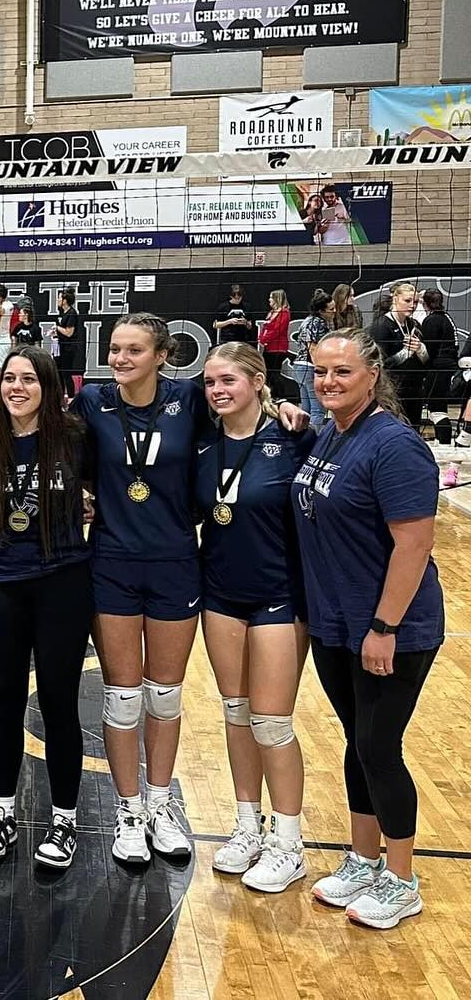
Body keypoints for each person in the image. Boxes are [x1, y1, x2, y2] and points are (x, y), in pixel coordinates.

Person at [59, 312, 306, 865]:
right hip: (112, 564)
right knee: (123, 696)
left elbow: (240, 412)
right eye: (115, 349)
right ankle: (127, 811)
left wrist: (284, 406)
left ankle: (159, 802)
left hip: (176, 565)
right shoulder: (93, 402)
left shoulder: (190, 401)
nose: (121, 359)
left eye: (133, 350)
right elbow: (46, 440)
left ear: (162, 355)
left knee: (165, 694)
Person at [295, 328, 443, 929]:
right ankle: (362, 857)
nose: (328, 383)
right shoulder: (333, 430)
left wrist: (384, 626)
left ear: (373, 375)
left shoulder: (395, 445)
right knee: (359, 742)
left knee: (381, 748)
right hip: (337, 623)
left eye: (342, 373)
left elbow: (414, 544)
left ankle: (401, 878)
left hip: (390, 628)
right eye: (320, 373)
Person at [196, 343, 315, 893]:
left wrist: (292, 412)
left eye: (228, 381)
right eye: (210, 383)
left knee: (272, 721)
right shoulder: (202, 445)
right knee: (236, 711)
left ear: (258, 381)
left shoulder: (292, 438)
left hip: (278, 597)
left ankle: (289, 843)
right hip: (220, 595)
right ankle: (248, 826)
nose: (218, 391)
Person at [0, 346, 91, 868]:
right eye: (8, 378)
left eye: (28, 379)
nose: (16, 387)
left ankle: (63, 819)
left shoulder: (76, 437)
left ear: (49, 385)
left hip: (63, 581)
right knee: (4, 699)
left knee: (61, 703)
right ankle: (1, 813)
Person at [368, 282, 427, 429]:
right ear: (395, 299)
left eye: (415, 302)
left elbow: (426, 361)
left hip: (414, 388)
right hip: (392, 390)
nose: (412, 305)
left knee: (414, 429)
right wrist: (405, 353)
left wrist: (420, 350)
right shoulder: (381, 326)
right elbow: (380, 363)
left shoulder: (414, 325)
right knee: (395, 429)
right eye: (407, 301)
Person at [417, 289, 459, 443]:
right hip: (448, 366)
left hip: (438, 369)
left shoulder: (432, 321)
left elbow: (430, 349)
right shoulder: (447, 317)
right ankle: (444, 439)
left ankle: (443, 440)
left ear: (425, 303)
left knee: (436, 407)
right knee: (439, 406)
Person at [290, 291, 335, 430]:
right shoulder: (318, 323)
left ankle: (302, 437)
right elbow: (313, 348)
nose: (334, 311)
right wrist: (320, 371)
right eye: (331, 309)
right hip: (309, 367)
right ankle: (314, 442)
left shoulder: (308, 320)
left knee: (306, 409)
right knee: (318, 409)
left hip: (299, 366)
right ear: (321, 310)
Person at [257, 289, 291, 400]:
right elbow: (265, 327)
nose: (269, 300)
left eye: (271, 297)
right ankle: (269, 396)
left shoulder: (284, 313)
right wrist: (261, 338)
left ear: (277, 298)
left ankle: (280, 395)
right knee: (267, 372)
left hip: (278, 348)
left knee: (275, 372)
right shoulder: (271, 313)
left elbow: (277, 330)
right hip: (268, 347)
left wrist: (265, 338)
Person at [54, 287, 86, 398]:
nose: (57, 300)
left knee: (66, 373)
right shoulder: (63, 313)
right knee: (59, 373)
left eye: (59, 298)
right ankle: (61, 397)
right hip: (61, 347)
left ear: (65, 300)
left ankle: (71, 398)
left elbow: (69, 333)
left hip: (69, 348)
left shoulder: (72, 313)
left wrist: (57, 328)